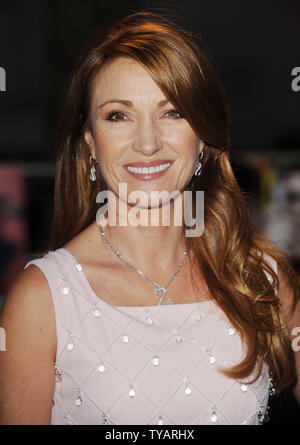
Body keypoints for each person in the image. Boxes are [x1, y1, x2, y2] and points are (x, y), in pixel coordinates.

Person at [0, 11, 299, 426]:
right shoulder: (42, 301)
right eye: (118, 115)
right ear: (89, 140)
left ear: (203, 136)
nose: (147, 143)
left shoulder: (260, 280)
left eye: (172, 112)